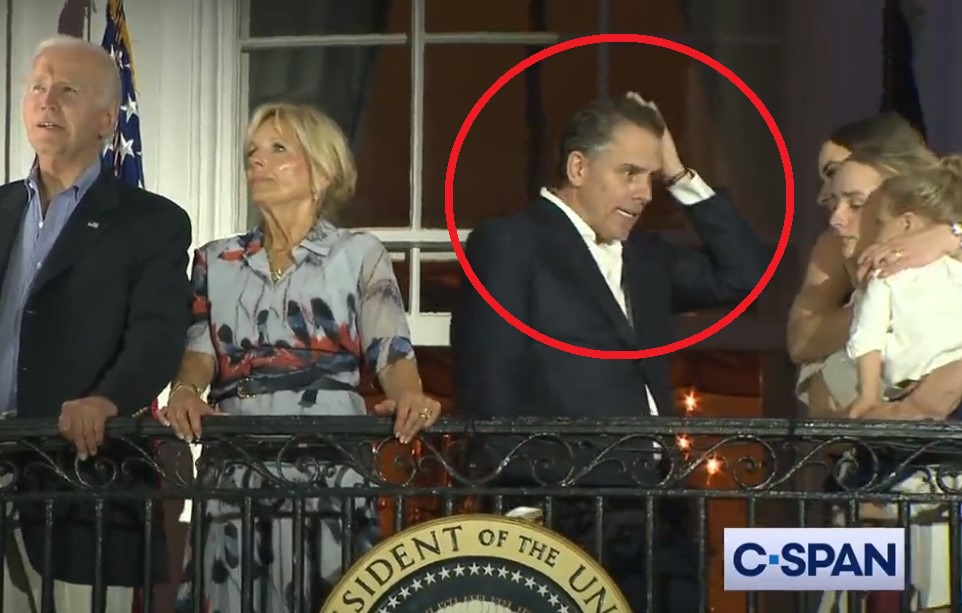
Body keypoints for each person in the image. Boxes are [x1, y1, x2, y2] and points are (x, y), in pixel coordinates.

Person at [451, 92, 767, 612]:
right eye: (629, 174)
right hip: (563, 510)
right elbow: (489, 382)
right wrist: (517, 510)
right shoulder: (509, 243)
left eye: (651, 177)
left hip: (661, 515)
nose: (644, 193)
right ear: (578, 167)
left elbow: (747, 275)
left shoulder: (648, 255)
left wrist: (679, 172)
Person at [164, 102, 440, 612]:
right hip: (237, 468)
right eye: (253, 152)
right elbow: (200, 350)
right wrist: (183, 391)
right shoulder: (215, 260)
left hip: (329, 469)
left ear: (322, 170)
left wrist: (410, 396)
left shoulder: (359, 254)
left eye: (277, 149)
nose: (257, 161)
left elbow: (391, 349)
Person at [0, 36, 192, 612]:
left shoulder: (151, 223)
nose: (46, 100)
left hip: (81, 485)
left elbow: (156, 335)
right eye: (38, 87)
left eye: (67, 90)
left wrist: (107, 399)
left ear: (108, 119)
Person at [789, 114, 962, 420]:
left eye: (856, 202)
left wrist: (951, 235)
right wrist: (885, 305)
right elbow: (801, 342)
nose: (824, 199)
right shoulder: (837, 249)